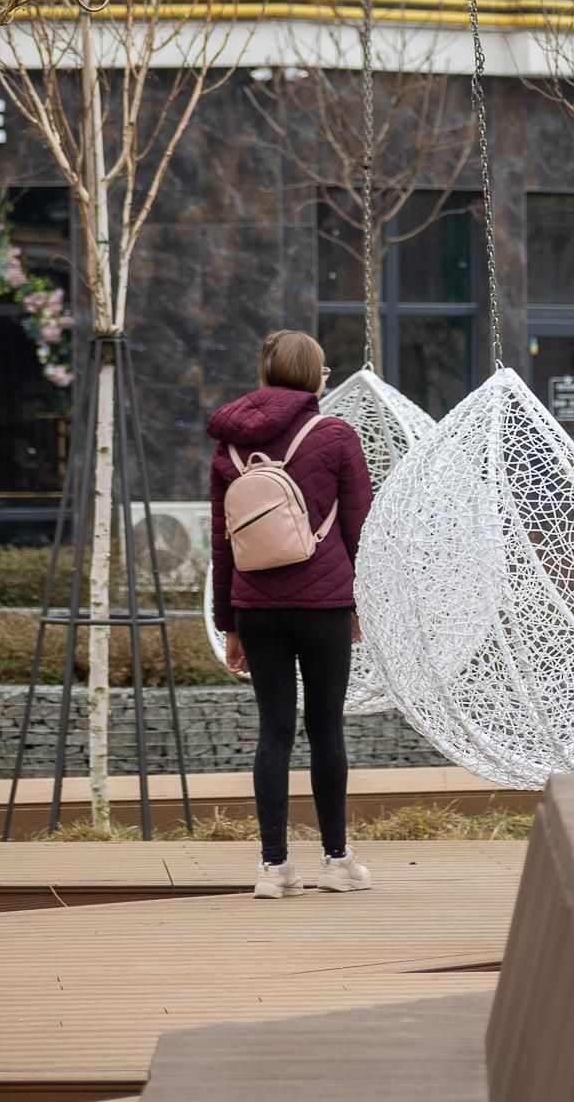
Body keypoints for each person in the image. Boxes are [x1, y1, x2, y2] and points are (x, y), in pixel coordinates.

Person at [209, 329, 374, 897]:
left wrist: (227, 621)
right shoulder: (334, 435)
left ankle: (273, 868)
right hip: (323, 603)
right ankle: (336, 861)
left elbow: (221, 539)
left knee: (273, 732)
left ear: (265, 375)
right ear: (315, 377)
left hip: (256, 606)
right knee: (325, 727)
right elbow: (361, 530)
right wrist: (362, 606)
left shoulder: (228, 445)